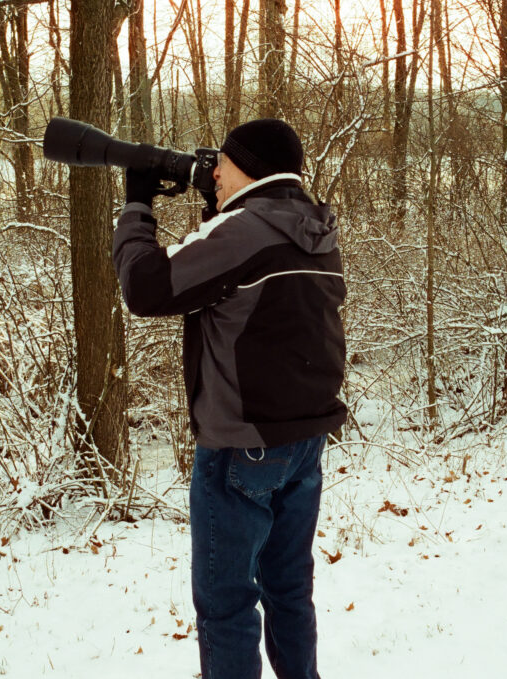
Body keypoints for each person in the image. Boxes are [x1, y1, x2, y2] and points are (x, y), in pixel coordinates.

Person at [112, 118, 346, 679]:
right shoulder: (312, 225)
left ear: (249, 168)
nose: (213, 169)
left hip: (241, 447)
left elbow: (145, 288)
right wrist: (217, 206)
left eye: (223, 161)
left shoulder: (244, 231)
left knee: (226, 603)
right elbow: (233, 285)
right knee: (289, 589)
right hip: (303, 443)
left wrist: (137, 205)